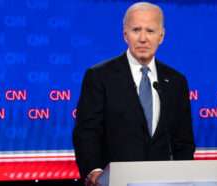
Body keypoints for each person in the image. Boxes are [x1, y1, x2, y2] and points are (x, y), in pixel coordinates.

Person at [73, 2, 195, 186]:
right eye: (136, 30)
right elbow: (87, 132)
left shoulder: (176, 81)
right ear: (125, 35)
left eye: (150, 31)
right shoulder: (99, 76)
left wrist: (183, 176)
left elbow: (183, 139)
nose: (143, 38)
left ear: (161, 36)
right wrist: (94, 171)